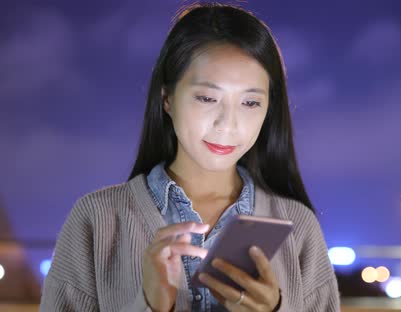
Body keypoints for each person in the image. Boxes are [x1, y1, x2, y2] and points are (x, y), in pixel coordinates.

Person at [39, 3, 340, 312]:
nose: (228, 124)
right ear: (167, 99)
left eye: (250, 102)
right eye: (208, 98)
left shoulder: (299, 227)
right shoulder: (97, 221)